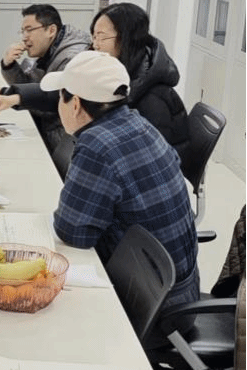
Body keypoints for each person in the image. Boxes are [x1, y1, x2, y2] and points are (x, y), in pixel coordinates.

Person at [41, 51, 198, 311]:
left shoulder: (96, 144)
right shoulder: (139, 123)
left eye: (60, 96)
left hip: (149, 307)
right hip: (179, 291)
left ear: (75, 104)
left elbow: (73, 232)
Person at [0, 4, 91, 174]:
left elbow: (51, 103)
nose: (24, 38)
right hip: (49, 130)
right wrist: (9, 65)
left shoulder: (70, 57)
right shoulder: (52, 49)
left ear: (51, 30)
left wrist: (6, 94)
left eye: (29, 30)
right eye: (22, 31)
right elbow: (35, 87)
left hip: (61, 138)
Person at [88, 2, 189, 161]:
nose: (95, 45)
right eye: (94, 37)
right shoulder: (122, 75)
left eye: (101, 36)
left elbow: (152, 160)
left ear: (126, 39)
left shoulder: (153, 98)